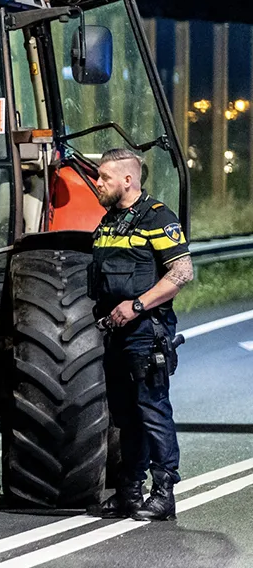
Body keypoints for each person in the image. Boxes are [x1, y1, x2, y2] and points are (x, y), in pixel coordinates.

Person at [90, 148, 193, 521]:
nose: (98, 183)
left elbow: (181, 273)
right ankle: (129, 492)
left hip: (145, 332)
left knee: (152, 410)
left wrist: (136, 306)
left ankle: (163, 493)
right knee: (125, 415)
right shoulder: (110, 221)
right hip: (116, 334)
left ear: (128, 180)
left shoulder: (157, 217)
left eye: (104, 177)